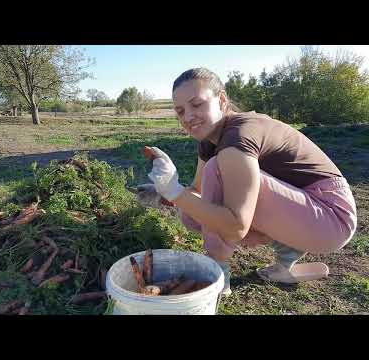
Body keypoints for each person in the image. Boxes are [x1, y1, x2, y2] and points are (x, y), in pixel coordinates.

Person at [139, 67, 357, 296]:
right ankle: (287, 250)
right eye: (180, 111)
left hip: (332, 217)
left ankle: (218, 274)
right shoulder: (210, 141)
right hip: (308, 210)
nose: (188, 116)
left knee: (216, 171)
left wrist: (174, 191)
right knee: (191, 215)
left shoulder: (237, 136)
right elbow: (196, 191)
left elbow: (235, 227)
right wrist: (164, 193)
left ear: (221, 100)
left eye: (197, 104)